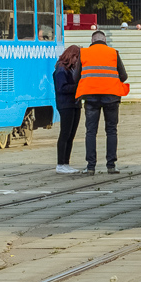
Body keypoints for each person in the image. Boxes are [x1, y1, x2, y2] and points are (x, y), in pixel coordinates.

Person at [75, 30, 128, 174]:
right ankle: (111, 165)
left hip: (91, 98)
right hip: (111, 97)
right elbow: (124, 76)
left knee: (91, 131)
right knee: (111, 130)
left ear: (92, 41)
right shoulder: (113, 53)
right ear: (105, 41)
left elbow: (76, 77)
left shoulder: (84, 53)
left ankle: (91, 166)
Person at [52, 45, 82, 174]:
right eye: (77, 57)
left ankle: (66, 163)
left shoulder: (71, 69)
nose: (78, 60)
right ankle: (60, 163)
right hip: (65, 104)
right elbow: (61, 88)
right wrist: (78, 87)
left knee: (71, 135)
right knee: (65, 133)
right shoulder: (61, 69)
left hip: (75, 104)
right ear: (71, 55)